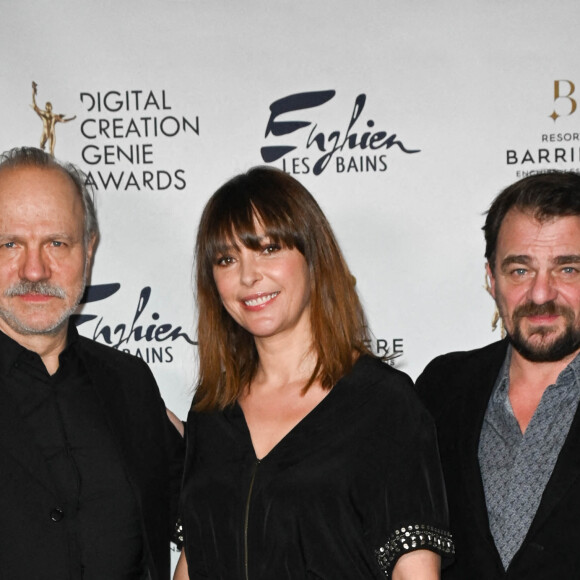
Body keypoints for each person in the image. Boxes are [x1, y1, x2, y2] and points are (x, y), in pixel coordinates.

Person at [174, 167, 454, 580]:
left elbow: (415, 572)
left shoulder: (382, 403)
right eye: (227, 259)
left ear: (313, 258)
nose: (248, 276)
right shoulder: (212, 409)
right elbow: (195, 560)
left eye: (268, 249)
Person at [0, 146, 183, 580]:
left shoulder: (129, 383)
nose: (35, 269)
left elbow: (218, 504)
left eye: (56, 243)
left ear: (89, 249)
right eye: (10, 243)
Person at [416, 171, 580, 579]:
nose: (541, 294)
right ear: (491, 279)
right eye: (520, 271)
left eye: (568, 270)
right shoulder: (441, 388)